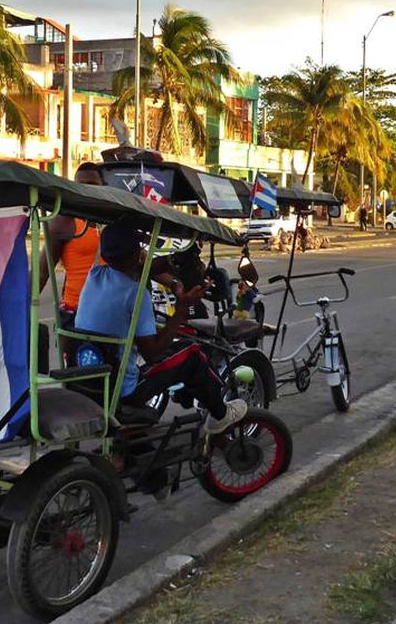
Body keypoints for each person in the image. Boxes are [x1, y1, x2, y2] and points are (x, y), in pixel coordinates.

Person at [74, 218, 248, 435]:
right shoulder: (135, 294)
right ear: (136, 254)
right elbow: (153, 353)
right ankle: (220, 415)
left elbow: (138, 268)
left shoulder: (94, 276)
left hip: (93, 380)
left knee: (176, 351)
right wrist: (182, 307)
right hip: (125, 389)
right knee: (192, 353)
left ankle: (191, 396)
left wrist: (171, 261)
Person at [38, 162, 104, 331]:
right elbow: (42, 272)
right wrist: (20, 306)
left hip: (110, 312)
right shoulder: (64, 221)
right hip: (74, 312)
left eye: (93, 185)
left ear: (103, 186)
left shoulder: (114, 221)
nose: (87, 190)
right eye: (81, 185)